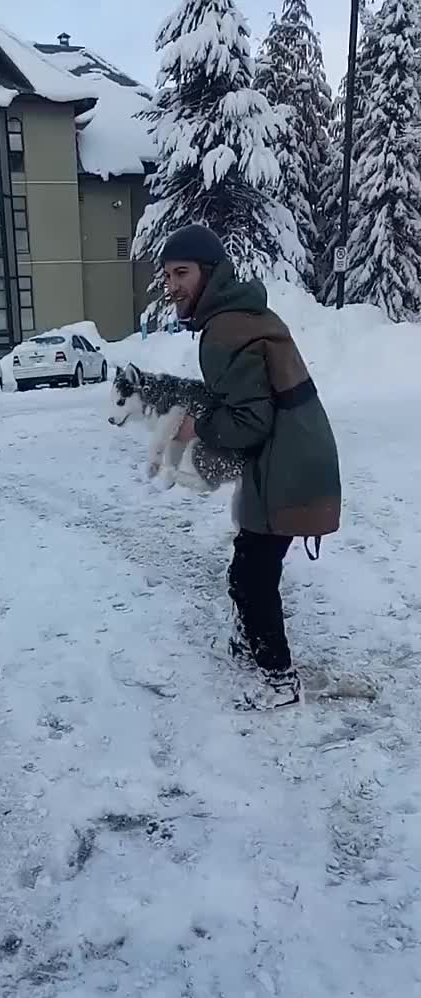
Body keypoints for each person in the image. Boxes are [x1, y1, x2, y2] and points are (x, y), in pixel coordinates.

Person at [161, 223, 341, 709]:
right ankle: (247, 644)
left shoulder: (224, 330)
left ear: (210, 273)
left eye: (182, 272)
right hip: (293, 455)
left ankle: (280, 680)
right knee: (249, 564)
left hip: (288, 464)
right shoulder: (238, 315)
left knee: (255, 577)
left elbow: (250, 421)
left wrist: (197, 428)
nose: (172, 284)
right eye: (167, 274)